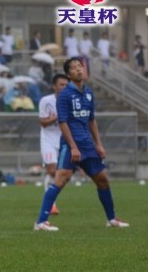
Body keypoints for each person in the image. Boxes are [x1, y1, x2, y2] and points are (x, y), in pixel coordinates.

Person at [33, 57, 130, 231]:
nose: (79, 69)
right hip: (71, 146)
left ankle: (111, 219)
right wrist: (73, 146)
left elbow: (92, 120)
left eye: (80, 66)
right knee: (61, 180)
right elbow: (62, 122)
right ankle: (41, 222)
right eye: (74, 67)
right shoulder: (64, 95)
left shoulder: (88, 93)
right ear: (69, 74)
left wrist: (98, 144)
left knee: (103, 180)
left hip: (88, 145)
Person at [37, 74, 69, 215]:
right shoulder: (46, 101)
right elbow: (42, 122)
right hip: (48, 140)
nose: (64, 87)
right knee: (52, 171)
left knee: (61, 175)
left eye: (66, 85)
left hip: (64, 140)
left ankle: (50, 202)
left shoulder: (70, 101)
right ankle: (51, 205)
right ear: (54, 86)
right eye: (61, 85)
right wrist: (55, 118)